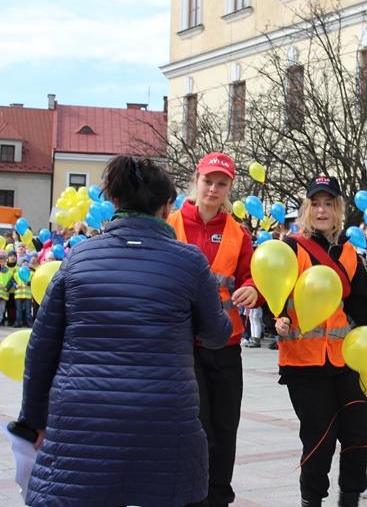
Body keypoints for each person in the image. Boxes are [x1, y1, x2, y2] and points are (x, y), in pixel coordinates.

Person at [18, 155, 232, 506]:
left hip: (82, 418)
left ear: (115, 202)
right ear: (167, 207)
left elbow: (41, 349)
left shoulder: (77, 259)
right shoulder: (190, 262)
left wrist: (32, 420)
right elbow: (216, 335)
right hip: (163, 416)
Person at [273, 175, 367, 507]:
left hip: (343, 360)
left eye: (328, 204)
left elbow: (364, 304)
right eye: (315, 204)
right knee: (320, 442)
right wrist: (278, 316)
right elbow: (270, 289)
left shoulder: (349, 253)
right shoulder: (291, 248)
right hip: (303, 362)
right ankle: (312, 501)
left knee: (361, 438)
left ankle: (350, 498)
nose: (321, 210)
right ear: (306, 209)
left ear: (338, 209)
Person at [167, 152, 261, 506]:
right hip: (182, 345)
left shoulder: (238, 233)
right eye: (208, 181)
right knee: (196, 427)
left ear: (229, 188)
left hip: (225, 343)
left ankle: (219, 496)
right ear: (197, 180)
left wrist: (254, 289)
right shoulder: (170, 224)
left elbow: (251, 275)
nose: (213, 189)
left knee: (225, 426)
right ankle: (194, 496)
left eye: (221, 184)